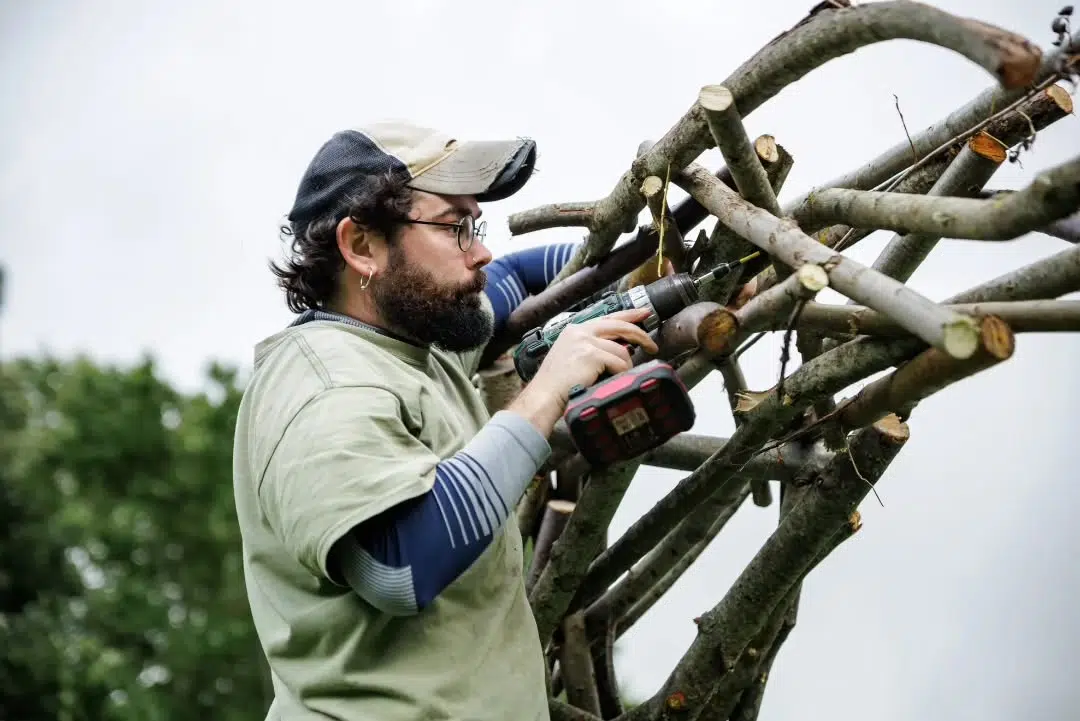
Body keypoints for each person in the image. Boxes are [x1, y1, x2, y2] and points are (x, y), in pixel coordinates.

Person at [231, 120, 659, 721]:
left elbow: (516, 278)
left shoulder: (414, 344)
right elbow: (397, 567)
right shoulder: (324, 381)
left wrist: (652, 275)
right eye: (454, 227)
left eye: (473, 226)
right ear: (362, 247)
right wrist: (547, 391)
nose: (479, 249)